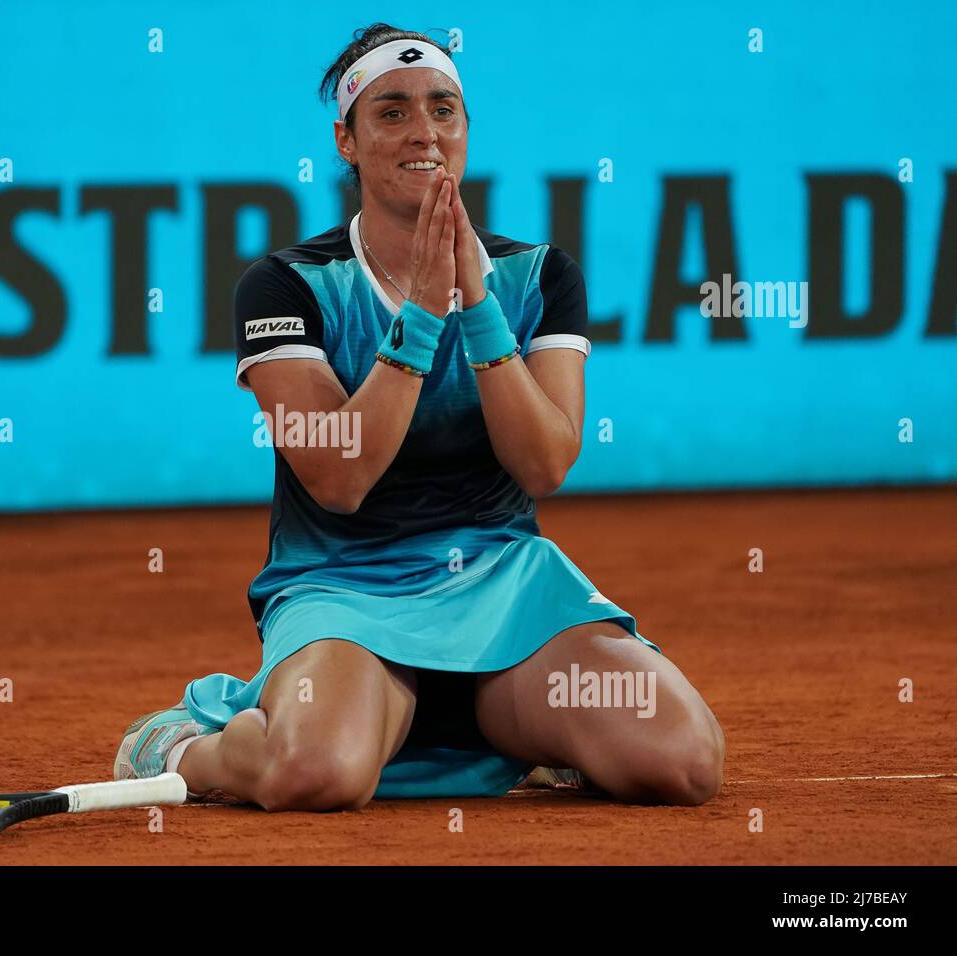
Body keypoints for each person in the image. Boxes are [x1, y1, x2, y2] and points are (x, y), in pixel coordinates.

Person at [114, 23, 725, 810]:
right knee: (317, 775)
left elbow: (544, 465)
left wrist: (479, 309)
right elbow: (339, 477)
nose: (423, 132)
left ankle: (524, 733)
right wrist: (422, 320)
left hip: (506, 588)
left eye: (443, 108)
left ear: (465, 127)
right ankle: (189, 744)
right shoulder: (285, 286)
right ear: (347, 138)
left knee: (682, 762)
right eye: (392, 112)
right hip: (344, 591)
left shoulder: (536, 275)